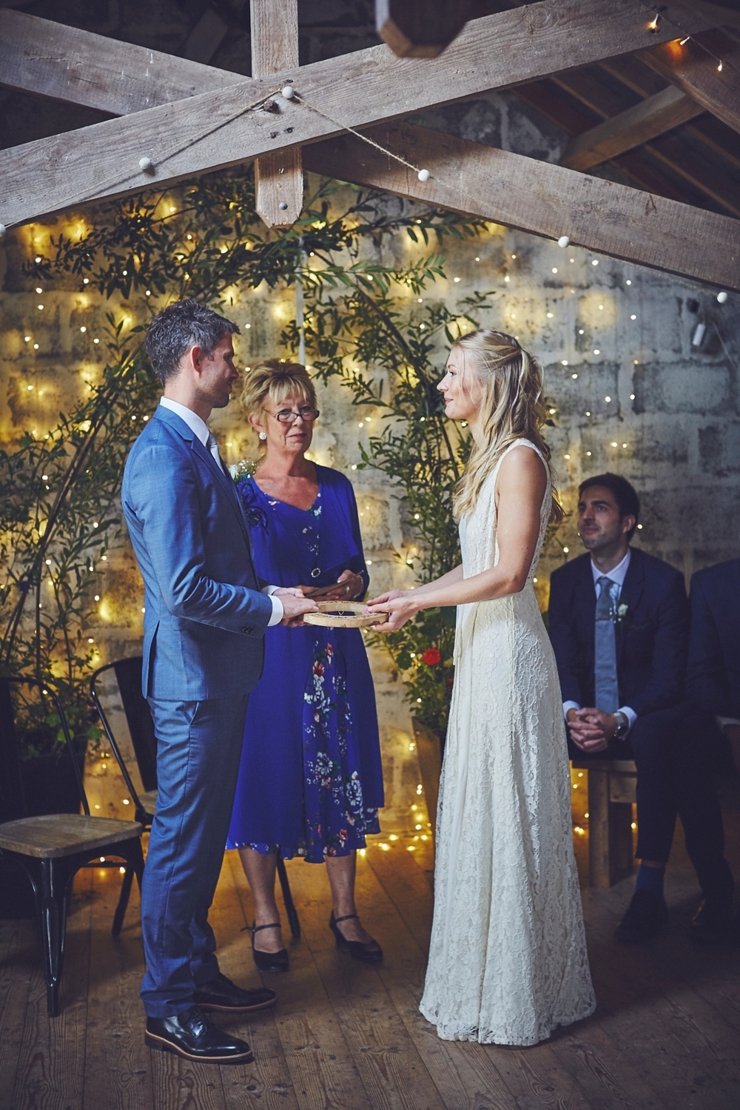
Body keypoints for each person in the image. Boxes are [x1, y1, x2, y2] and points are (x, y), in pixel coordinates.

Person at [368, 329, 595, 1046]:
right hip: (482, 648)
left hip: (510, 655)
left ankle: (521, 991)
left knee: (510, 810)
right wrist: (411, 594)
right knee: (481, 807)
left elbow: (510, 576)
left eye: (452, 371)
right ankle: (481, 977)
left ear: (489, 382)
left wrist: (428, 602)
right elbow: (476, 567)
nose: (441, 382)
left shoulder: (521, 459)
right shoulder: (488, 458)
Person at [121, 301, 316, 1065]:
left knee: (199, 847)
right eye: (231, 357)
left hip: (217, 677)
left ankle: (196, 974)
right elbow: (182, 589)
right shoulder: (165, 455)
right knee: (180, 846)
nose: (238, 369)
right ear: (197, 357)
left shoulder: (191, 444)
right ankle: (167, 1005)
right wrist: (273, 605)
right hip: (194, 686)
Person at [226, 359, 384, 970]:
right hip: (268, 663)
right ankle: (266, 918)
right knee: (262, 778)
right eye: (285, 412)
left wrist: (350, 582)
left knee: (341, 777)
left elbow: (358, 569)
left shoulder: (337, 487)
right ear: (257, 420)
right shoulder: (238, 497)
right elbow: (234, 585)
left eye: (307, 410)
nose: (299, 421)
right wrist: (293, 598)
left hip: (334, 657)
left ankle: (345, 913)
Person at [548, 474, 734, 944]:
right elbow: (562, 659)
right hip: (585, 722)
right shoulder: (566, 581)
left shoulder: (664, 582)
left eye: (601, 508)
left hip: (646, 713)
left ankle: (650, 888)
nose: (587, 516)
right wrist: (573, 713)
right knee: (681, 750)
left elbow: (671, 676)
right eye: (583, 507)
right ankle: (715, 886)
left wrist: (619, 718)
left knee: (665, 736)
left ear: (628, 522)